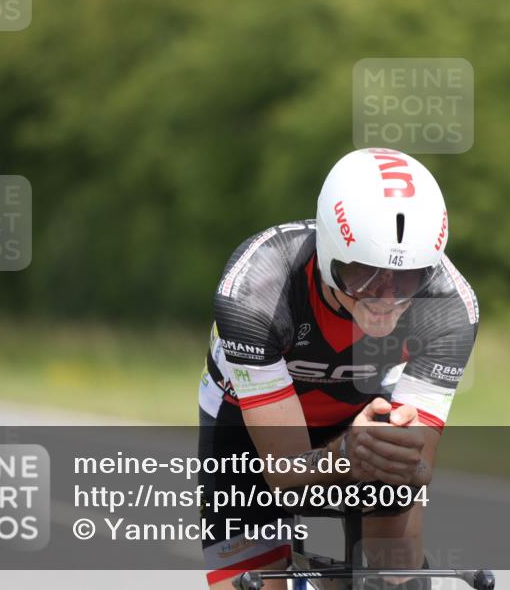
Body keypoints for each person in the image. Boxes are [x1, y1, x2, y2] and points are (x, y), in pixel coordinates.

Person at [198, 148, 479, 589]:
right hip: (251, 429)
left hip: (364, 421)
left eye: (407, 279)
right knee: (254, 582)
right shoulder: (257, 290)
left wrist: (399, 458)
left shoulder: (448, 308)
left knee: (396, 574)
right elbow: (281, 470)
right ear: (330, 254)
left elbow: (420, 470)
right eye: (364, 276)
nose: (385, 298)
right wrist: (348, 450)